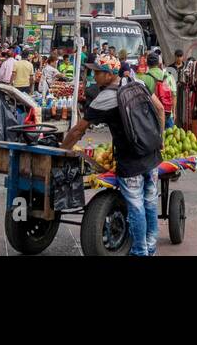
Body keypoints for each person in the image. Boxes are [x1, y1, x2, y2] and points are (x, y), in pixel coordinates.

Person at [60, 52, 165, 255]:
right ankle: (150, 248)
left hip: (130, 161)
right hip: (151, 155)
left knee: (136, 208)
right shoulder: (137, 83)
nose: (94, 77)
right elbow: (160, 109)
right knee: (150, 202)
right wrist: (159, 140)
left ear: (109, 74)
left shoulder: (106, 97)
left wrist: (62, 149)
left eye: (97, 73)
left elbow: (77, 130)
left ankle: (140, 252)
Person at [137, 50, 177, 128]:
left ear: (147, 64)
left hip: (150, 114)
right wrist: (174, 112)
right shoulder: (168, 76)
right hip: (167, 113)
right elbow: (174, 95)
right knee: (169, 137)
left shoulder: (143, 78)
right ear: (159, 63)